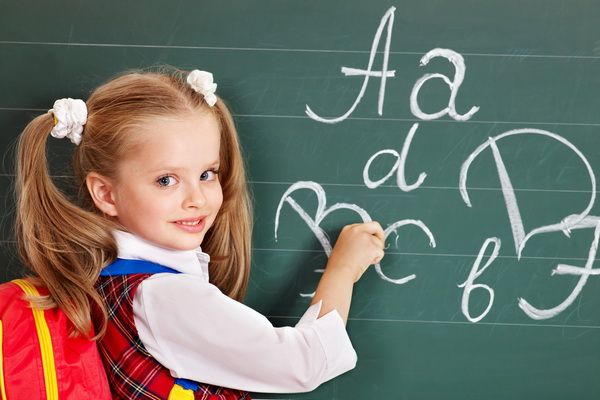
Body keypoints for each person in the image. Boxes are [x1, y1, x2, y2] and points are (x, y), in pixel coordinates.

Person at [13, 66, 385, 399]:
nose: (197, 199)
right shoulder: (167, 297)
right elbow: (303, 363)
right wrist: (343, 269)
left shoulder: (109, 279)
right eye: (166, 180)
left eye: (207, 174)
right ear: (106, 194)